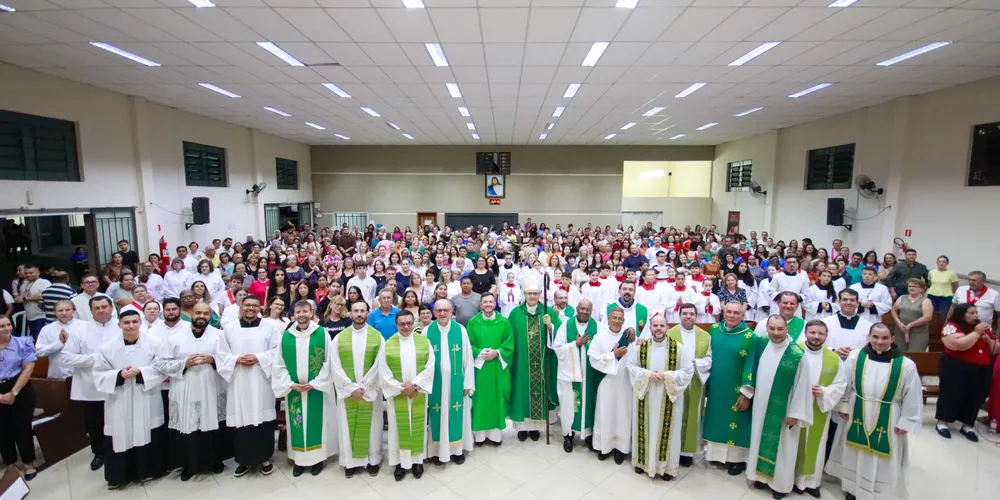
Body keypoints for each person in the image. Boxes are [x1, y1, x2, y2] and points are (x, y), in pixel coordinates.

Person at [825, 324, 923, 500]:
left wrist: (907, 421)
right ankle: (853, 488)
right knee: (855, 451)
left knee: (882, 455)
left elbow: (913, 394)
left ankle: (880, 491)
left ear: (892, 339)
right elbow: (845, 382)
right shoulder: (856, 357)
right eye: (875, 337)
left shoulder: (905, 365)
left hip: (889, 415)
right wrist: (844, 405)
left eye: (885, 338)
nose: (879, 342)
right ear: (869, 337)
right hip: (857, 409)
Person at [152, 302, 229, 480]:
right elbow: (160, 363)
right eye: (198, 313)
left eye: (206, 313)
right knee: (189, 426)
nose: (202, 316)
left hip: (211, 386)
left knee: (212, 425)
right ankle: (189, 465)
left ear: (210, 316)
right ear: (191, 313)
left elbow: (227, 359)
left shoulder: (219, 336)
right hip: (185, 387)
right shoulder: (175, 337)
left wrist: (213, 359)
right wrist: (184, 363)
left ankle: (214, 461)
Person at [93, 309, 168, 489]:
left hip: (145, 395)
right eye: (126, 323)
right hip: (120, 398)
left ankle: (147, 471)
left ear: (140, 323)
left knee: (147, 431)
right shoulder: (107, 348)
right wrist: (119, 374)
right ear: (119, 324)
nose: (131, 326)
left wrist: (141, 372)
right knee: (120, 434)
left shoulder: (154, 343)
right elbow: (98, 373)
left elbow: (163, 367)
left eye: (135, 322)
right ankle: (119, 476)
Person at [746, 315, 812, 500]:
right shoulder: (765, 346)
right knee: (759, 439)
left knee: (784, 448)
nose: (775, 333)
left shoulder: (797, 354)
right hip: (761, 407)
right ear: (766, 329)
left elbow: (803, 387)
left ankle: (780, 485)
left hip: (784, 411)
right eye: (772, 329)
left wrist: (795, 413)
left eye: (780, 329)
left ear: (787, 329)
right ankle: (760, 477)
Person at [217, 294, 281, 477]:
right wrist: (236, 360)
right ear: (241, 307)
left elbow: (278, 350)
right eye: (247, 305)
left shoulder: (269, 327)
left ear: (260, 308)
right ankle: (243, 460)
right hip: (239, 381)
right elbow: (220, 354)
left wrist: (258, 358)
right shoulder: (229, 329)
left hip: (262, 380)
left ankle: (265, 458)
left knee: (264, 420)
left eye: (254, 306)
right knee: (241, 421)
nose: (250, 309)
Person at [272, 301, 336, 477]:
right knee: (297, 424)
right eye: (298, 311)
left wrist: (314, 383)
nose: (301, 314)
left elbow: (329, 362)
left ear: (311, 312)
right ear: (293, 315)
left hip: (316, 389)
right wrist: (289, 384)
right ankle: (299, 461)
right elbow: (279, 364)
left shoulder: (321, 333)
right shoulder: (286, 336)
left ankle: (317, 460)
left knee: (318, 423)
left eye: (305, 311)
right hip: (294, 390)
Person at [627, 314, 693, 480]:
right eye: (655, 326)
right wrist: (647, 374)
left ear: (667, 327)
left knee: (668, 430)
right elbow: (631, 366)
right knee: (645, 427)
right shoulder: (641, 348)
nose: (658, 329)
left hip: (669, 397)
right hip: (646, 395)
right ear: (650, 328)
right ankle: (642, 463)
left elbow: (687, 370)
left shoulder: (678, 348)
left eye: (661, 326)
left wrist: (668, 376)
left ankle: (666, 468)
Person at [62, 295, 123, 471]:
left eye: (104, 307)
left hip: (118, 383)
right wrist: (95, 360)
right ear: (91, 310)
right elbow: (67, 356)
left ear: (111, 308)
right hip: (91, 386)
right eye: (97, 308)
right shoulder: (81, 331)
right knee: (96, 423)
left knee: (119, 419)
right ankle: (99, 453)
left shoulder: (122, 326)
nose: (101, 310)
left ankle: (119, 450)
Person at [329, 301, 384, 478]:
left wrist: (365, 387)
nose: (359, 314)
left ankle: (372, 460)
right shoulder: (339, 338)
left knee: (372, 426)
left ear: (368, 313)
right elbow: (334, 365)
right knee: (347, 425)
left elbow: (380, 364)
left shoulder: (377, 337)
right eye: (356, 311)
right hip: (348, 393)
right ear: (350, 313)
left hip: (370, 392)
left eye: (362, 310)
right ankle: (350, 462)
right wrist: (350, 388)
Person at [378, 310, 435, 481]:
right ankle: (399, 464)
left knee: (417, 426)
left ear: (414, 322)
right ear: (396, 324)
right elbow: (383, 371)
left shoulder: (424, 342)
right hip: (398, 394)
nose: (406, 327)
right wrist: (400, 388)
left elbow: (430, 365)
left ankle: (417, 461)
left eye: (409, 323)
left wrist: (415, 385)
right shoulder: (388, 345)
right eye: (402, 324)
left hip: (418, 391)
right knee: (397, 429)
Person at [703, 301, 758, 476]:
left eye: (736, 313)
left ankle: (737, 459)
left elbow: (751, 365)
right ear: (723, 313)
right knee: (716, 418)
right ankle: (715, 454)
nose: (732, 315)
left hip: (736, 389)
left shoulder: (750, 337)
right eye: (729, 312)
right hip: (716, 386)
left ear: (743, 316)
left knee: (737, 421)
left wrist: (746, 392)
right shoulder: (713, 330)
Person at [508, 271, 560, 442]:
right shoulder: (515, 313)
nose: (532, 296)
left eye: (535, 293)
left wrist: (551, 326)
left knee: (540, 392)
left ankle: (536, 428)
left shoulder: (548, 312)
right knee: (522, 392)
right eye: (529, 293)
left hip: (542, 363)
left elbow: (560, 336)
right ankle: (522, 428)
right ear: (524, 294)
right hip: (521, 363)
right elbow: (508, 337)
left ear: (539, 294)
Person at [792, 320, 843, 498]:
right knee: (792, 443)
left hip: (818, 408)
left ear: (826, 336)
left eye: (821, 333)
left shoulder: (833, 358)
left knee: (816, 444)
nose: (816, 336)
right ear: (805, 332)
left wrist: (824, 391)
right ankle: (788, 479)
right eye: (812, 332)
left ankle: (811, 482)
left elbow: (840, 384)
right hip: (793, 407)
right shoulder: (793, 351)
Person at [935, 303, 999, 441]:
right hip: (956, 367)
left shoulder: (982, 327)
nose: (975, 315)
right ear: (961, 314)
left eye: (976, 313)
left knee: (976, 396)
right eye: (971, 313)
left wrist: (988, 340)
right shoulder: (952, 326)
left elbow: (995, 348)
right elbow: (958, 345)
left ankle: (968, 424)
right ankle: (942, 422)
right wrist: (976, 333)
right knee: (952, 393)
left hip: (982, 369)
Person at [550, 299, 605, 453]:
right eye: (582, 308)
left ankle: (588, 434)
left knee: (590, 404)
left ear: (591, 310)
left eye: (588, 309)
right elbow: (557, 348)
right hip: (570, 376)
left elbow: (610, 339)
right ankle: (568, 435)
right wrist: (575, 344)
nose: (585, 312)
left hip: (590, 376)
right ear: (577, 309)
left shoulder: (599, 328)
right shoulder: (565, 326)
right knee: (569, 404)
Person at [424, 299, 474, 465]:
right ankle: (438, 452)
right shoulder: (426, 332)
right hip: (435, 385)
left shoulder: (460, 330)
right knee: (437, 415)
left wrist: (468, 383)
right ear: (434, 313)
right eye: (439, 310)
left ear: (452, 312)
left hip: (456, 383)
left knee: (456, 414)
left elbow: (468, 357)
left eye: (446, 310)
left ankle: (457, 450)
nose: (443, 313)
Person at [588, 307, 637, 464]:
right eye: (614, 318)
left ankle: (621, 449)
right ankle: (604, 446)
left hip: (625, 382)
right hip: (607, 382)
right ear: (608, 318)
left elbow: (637, 358)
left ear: (624, 320)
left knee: (623, 414)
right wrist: (612, 356)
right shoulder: (599, 337)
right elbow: (593, 359)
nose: (617, 321)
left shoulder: (630, 337)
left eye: (620, 318)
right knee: (606, 413)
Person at [666, 303, 712, 467]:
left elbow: (709, 359)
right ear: (679, 315)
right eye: (684, 313)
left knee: (692, 415)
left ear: (696, 316)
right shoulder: (670, 333)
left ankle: (686, 452)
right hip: (675, 381)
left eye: (691, 314)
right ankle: (672, 448)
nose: (688, 317)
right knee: (674, 414)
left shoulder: (705, 336)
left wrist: (696, 363)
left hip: (695, 381)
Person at [466, 293, 514, 446]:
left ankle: (495, 436)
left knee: (496, 400)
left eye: (490, 302)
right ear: (480, 305)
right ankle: (479, 436)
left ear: (495, 304)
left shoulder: (504, 322)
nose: (488, 304)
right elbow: (468, 344)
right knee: (480, 400)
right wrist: (480, 353)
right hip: (480, 369)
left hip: (497, 367)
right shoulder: (473, 322)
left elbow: (509, 344)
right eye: (485, 302)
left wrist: (497, 352)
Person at [0, 315, 38, 480]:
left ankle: (29, 463)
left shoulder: (23, 342)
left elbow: (28, 368)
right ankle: (10, 463)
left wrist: (13, 392)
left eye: (8, 324)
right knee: (2, 428)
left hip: (19, 386)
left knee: (22, 426)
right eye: (2, 326)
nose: (7, 328)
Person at [35, 299, 86, 379]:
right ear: (54, 312)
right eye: (60, 310)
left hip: (80, 375)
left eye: (68, 310)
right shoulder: (47, 329)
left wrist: (72, 342)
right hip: (56, 374)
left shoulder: (84, 326)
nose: (64, 313)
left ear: (74, 311)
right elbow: (39, 352)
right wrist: (59, 343)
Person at [890, 279, 933, 352]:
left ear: (922, 289)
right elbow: (893, 310)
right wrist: (899, 323)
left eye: (915, 286)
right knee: (900, 353)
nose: (911, 288)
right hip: (901, 331)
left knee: (914, 354)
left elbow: (927, 317)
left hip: (918, 333)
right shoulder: (902, 298)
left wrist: (911, 325)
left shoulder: (926, 301)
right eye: (909, 286)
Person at [15, 264, 50, 339]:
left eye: (31, 273)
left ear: (38, 272)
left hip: (41, 316)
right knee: (35, 338)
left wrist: (26, 299)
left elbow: (46, 296)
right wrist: (19, 299)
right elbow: (23, 297)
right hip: (30, 316)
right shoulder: (24, 284)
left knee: (41, 339)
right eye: (26, 273)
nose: (28, 275)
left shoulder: (44, 282)